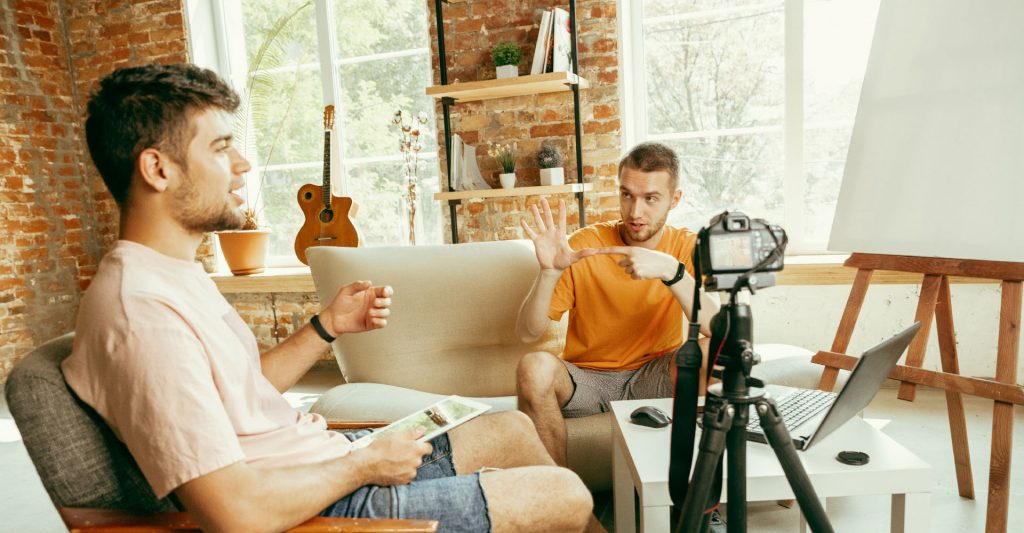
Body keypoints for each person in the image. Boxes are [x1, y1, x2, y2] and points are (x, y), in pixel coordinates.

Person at [62, 63, 594, 533]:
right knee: (564, 496)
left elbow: (242, 395)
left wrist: (326, 326)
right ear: (158, 169)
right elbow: (234, 515)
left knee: (513, 428)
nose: (243, 164)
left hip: (325, 469)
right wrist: (363, 465)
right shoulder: (142, 315)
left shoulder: (174, 275)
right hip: (316, 507)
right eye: (222, 147)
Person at [515, 142, 720, 467]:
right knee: (533, 366)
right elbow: (527, 333)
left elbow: (718, 330)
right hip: (588, 379)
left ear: (674, 199)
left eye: (650, 198)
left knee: (716, 351)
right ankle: (564, 502)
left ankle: (701, 500)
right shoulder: (585, 246)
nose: (636, 212)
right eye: (627, 195)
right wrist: (549, 273)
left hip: (656, 374)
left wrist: (671, 271)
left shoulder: (687, 247)